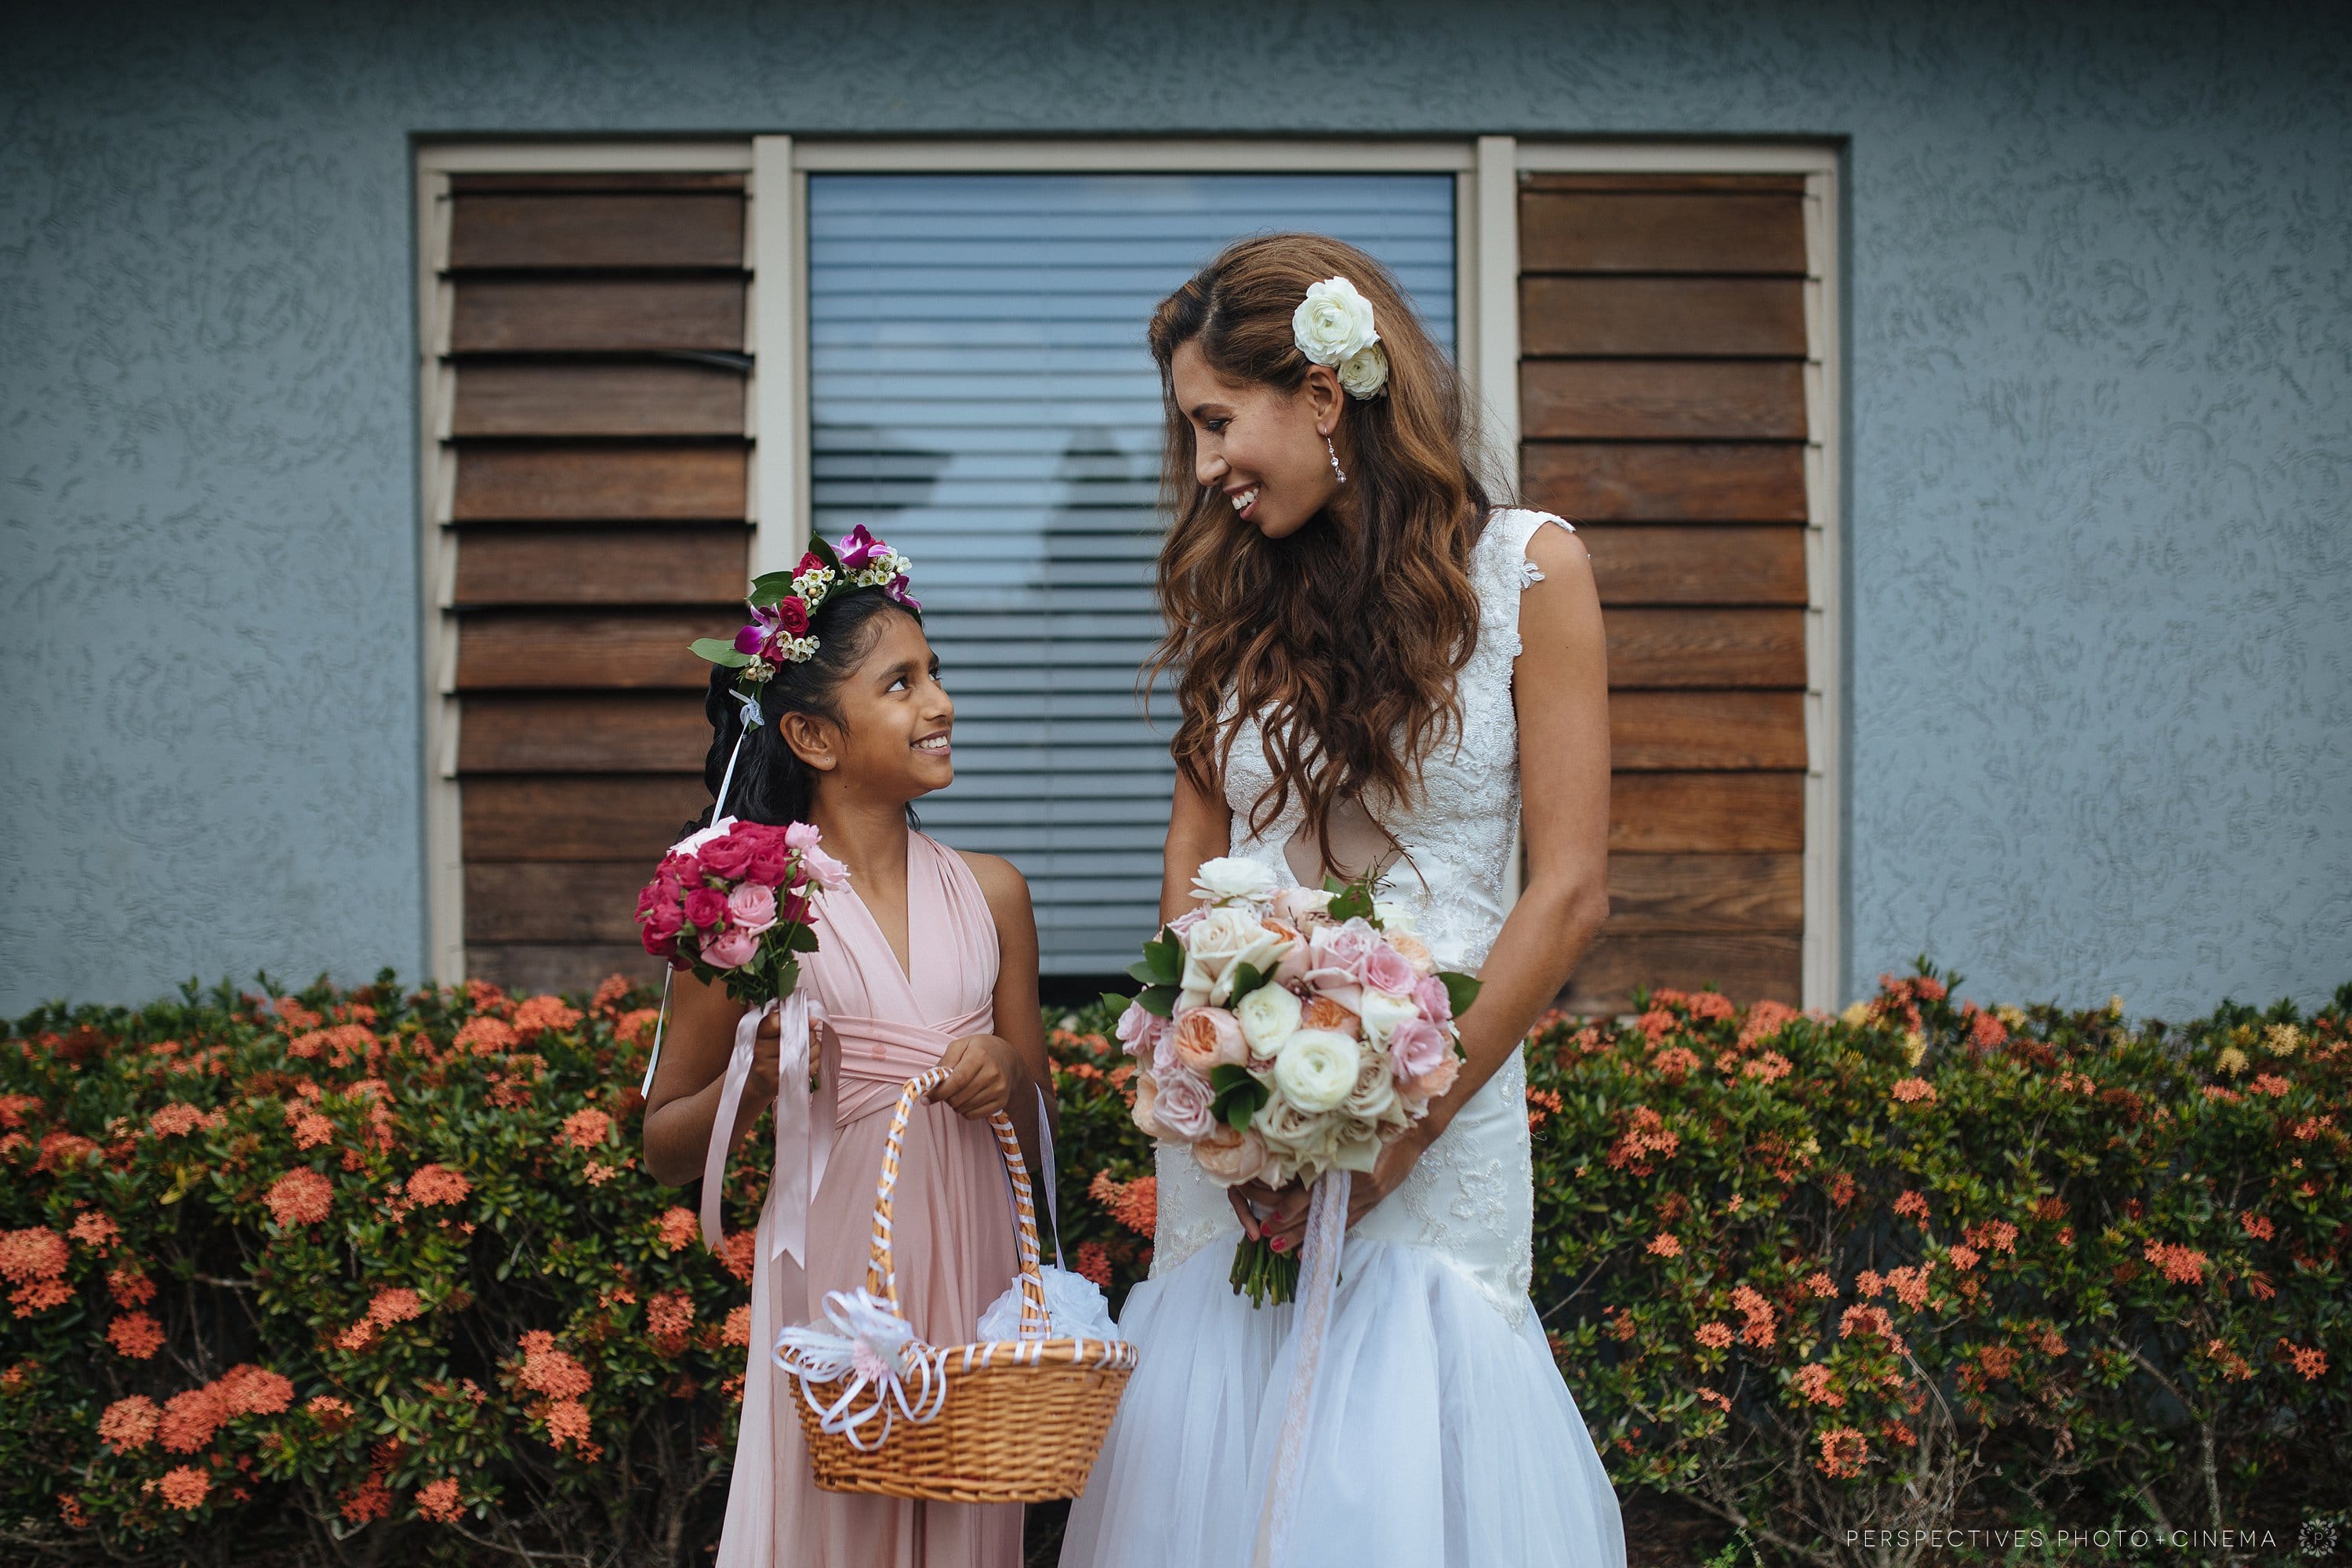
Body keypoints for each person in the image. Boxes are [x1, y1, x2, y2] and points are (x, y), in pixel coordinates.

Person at [1060, 236, 1627, 1567]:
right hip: (1240, 1152)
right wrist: (1204, 1065)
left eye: (1216, 423)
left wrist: (1404, 1133)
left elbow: (1571, 890)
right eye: (1190, 433)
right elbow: (1193, 882)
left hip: (1441, 1121)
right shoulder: (1233, 602)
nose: (1203, 468)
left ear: (1323, 394)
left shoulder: (1534, 573)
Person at [641, 552, 1052, 1568]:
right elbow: (661, 1144)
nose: (941, 702)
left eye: (936, 672)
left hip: (976, 1279)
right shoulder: (751, 911)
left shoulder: (994, 893)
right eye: (902, 683)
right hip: (837, 1287)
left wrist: (1006, 1067)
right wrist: (756, 1074)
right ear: (815, 736)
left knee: (968, 1530)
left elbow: (1037, 1106)